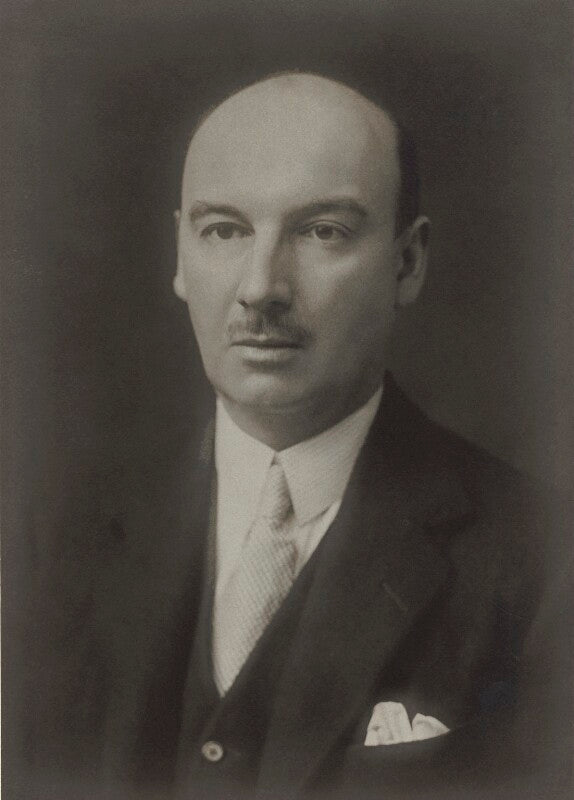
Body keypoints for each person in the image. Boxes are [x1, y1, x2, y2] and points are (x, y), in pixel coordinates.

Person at [20, 72, 571, 800]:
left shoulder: (544, 562)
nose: (260, 288)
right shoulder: (48, 538)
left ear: (407, 263)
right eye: (225, 230)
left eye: (322, 232)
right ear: (181, 254)